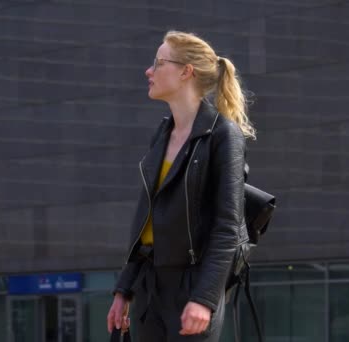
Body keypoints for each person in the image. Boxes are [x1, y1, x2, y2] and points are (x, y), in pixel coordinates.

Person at [106, 30, 256, 341]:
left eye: (158, 63)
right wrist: (124, 289)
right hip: (149, 286)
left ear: (186, 72)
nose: (149, 71)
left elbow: (228, 226)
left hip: (192, 285)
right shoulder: (162, 133)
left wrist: (204, 298)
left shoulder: (223, 135)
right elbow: (145, 219)